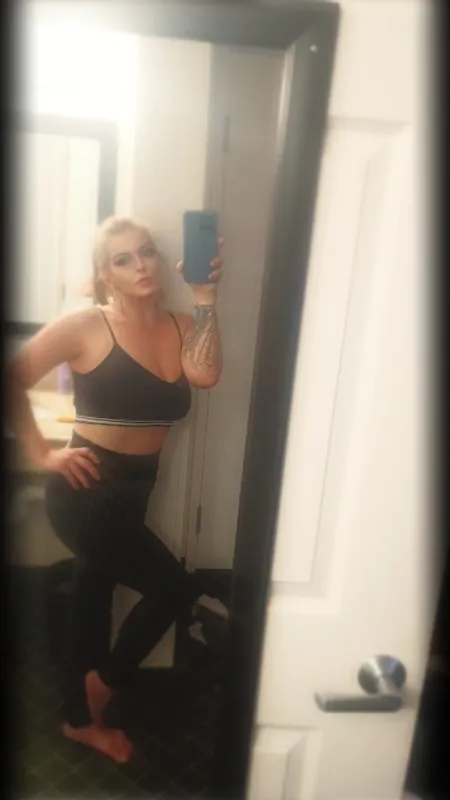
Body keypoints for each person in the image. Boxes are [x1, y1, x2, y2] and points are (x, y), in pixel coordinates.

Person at [7, 217, 223, 763]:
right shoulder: (87, 325)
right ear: (106, 274)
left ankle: (77, 718)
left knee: (91, 597)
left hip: (136, 490)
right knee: (172, 589)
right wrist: (42, 454)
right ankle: (104, 684)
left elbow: (206, 376)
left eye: (146, 252)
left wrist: (205, 298)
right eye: (123, 259)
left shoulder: (181, 325)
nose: (141, 265)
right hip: (87, 489)